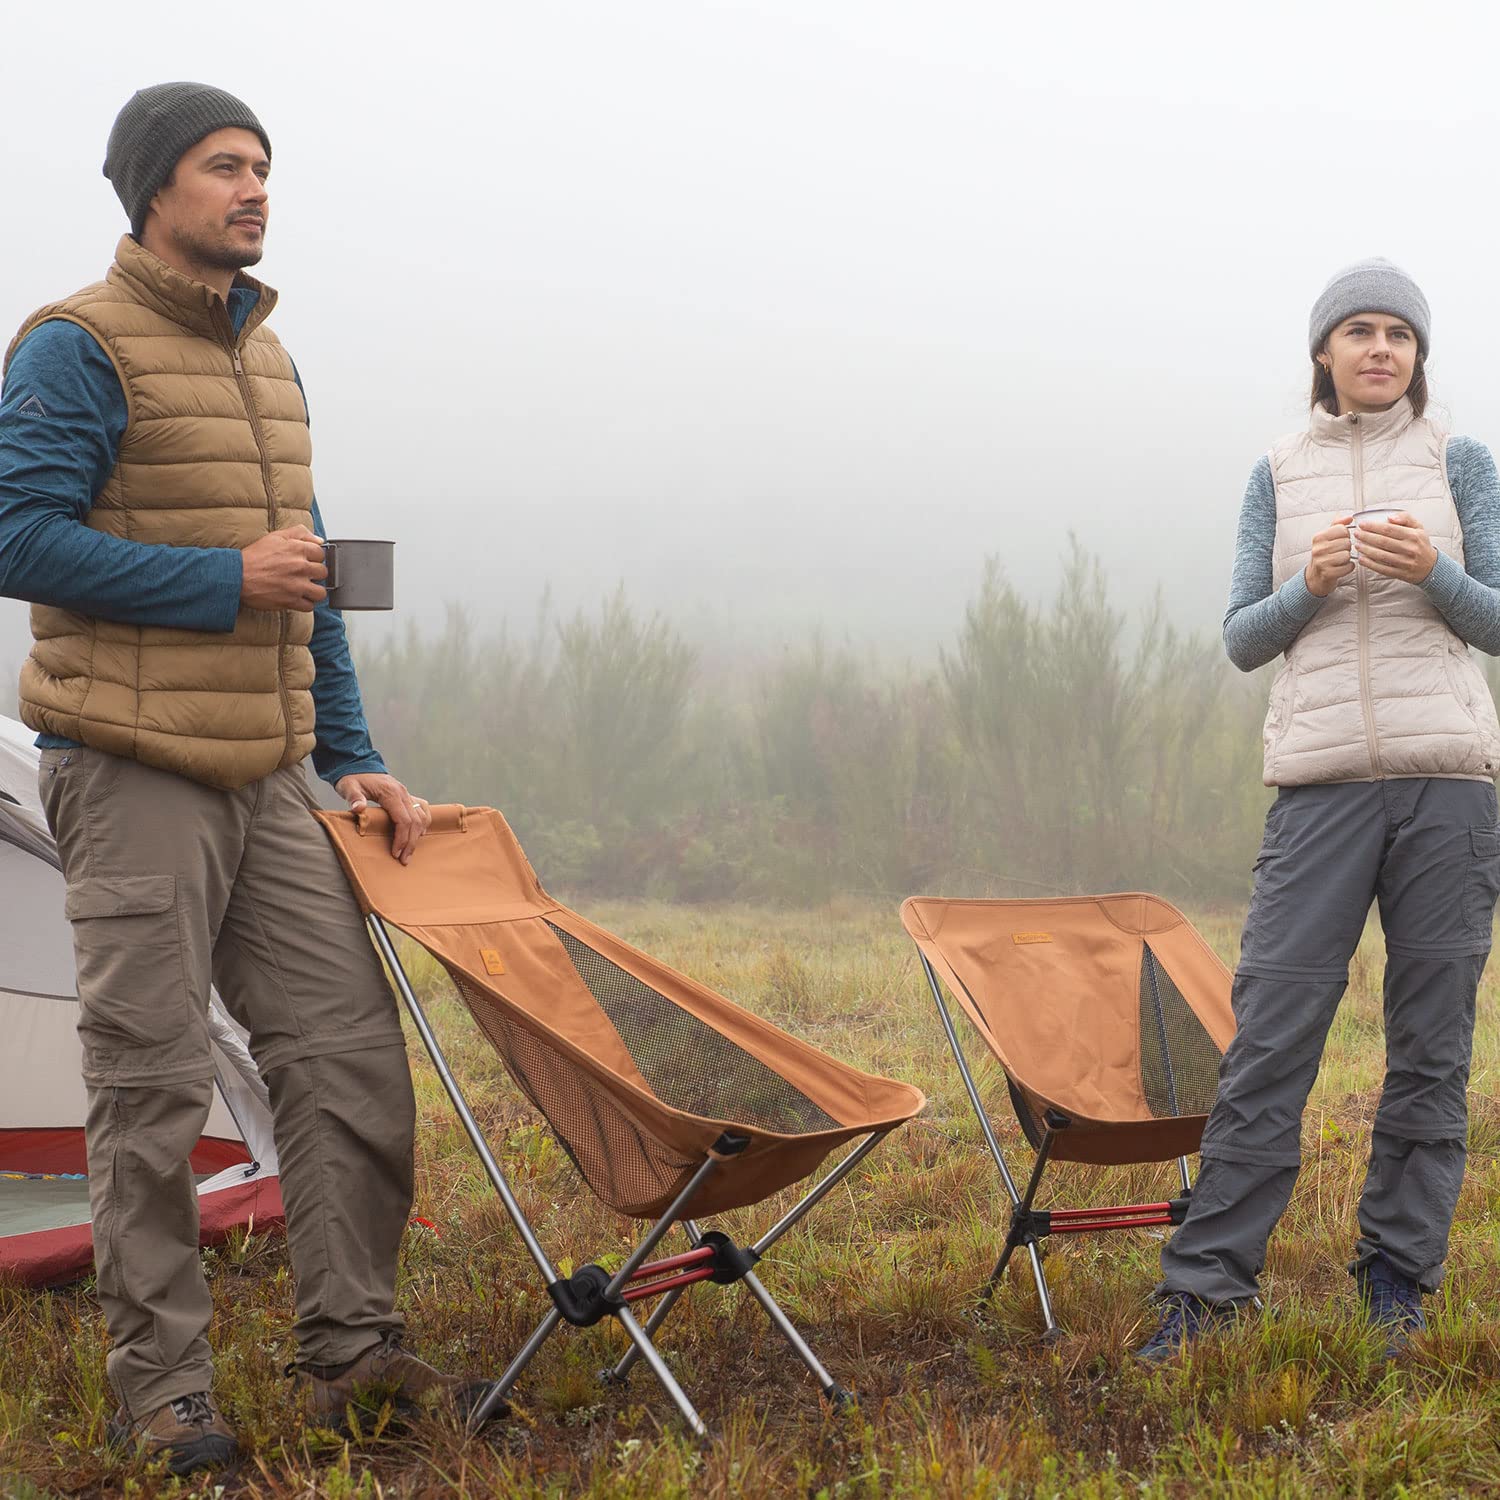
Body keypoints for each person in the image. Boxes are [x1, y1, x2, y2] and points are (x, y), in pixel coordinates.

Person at [0, 84, 481, 1474]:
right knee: (149, 1086)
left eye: (264, 166)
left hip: (271, 779)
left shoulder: (269, 361)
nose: (253, 188)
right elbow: (18, 536)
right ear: (155, 188)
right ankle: (164, 1392)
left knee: (342, 1056)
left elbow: (311, 583)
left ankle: (351, 1354)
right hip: (133, 768)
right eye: (225, 166)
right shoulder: (76, 347)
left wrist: (356, 755)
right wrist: (222, 580)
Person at [1136, 258, 1500, 1363]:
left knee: (1431, 1047)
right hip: (1318, 790)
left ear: (1419, 358)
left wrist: (1435, 570)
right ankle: (1205, 1288)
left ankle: (1398, 1280)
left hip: (1451, 791)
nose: (1380, 349)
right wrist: (1315, 586)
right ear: (1324, 355)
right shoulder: (1277, 472)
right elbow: (1244, 635)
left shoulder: (1462, 462)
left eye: (1399, 333)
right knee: (1271, 1041)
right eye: (1359, 332)